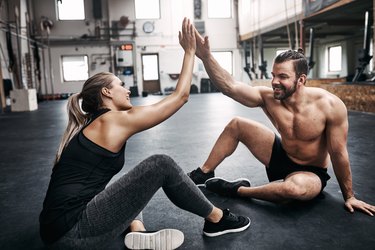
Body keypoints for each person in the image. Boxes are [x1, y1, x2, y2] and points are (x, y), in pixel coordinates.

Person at [39, 18, 250, 250]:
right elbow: (180, 97)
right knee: (160, 164)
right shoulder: (111, 121)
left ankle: (138, 232)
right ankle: (217, 220)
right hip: (71, 233)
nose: (127, 89)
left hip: (58, 230)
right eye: (121, 84)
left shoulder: (94, 123)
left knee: (133, 180)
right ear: (107, 92)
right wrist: (190, 52)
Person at [187, 30, 375, 216]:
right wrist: (206, 57)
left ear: (301, 80)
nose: (275, 82)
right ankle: (204, 173)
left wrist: (349, 196)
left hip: (310, 172)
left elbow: (338, 153)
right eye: (273, 75)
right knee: (237, 124)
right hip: (279, 155)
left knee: (294, 190)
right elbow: (230, 86)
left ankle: (236, 190)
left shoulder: (330, 106)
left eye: (283, 77)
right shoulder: (268, 97)